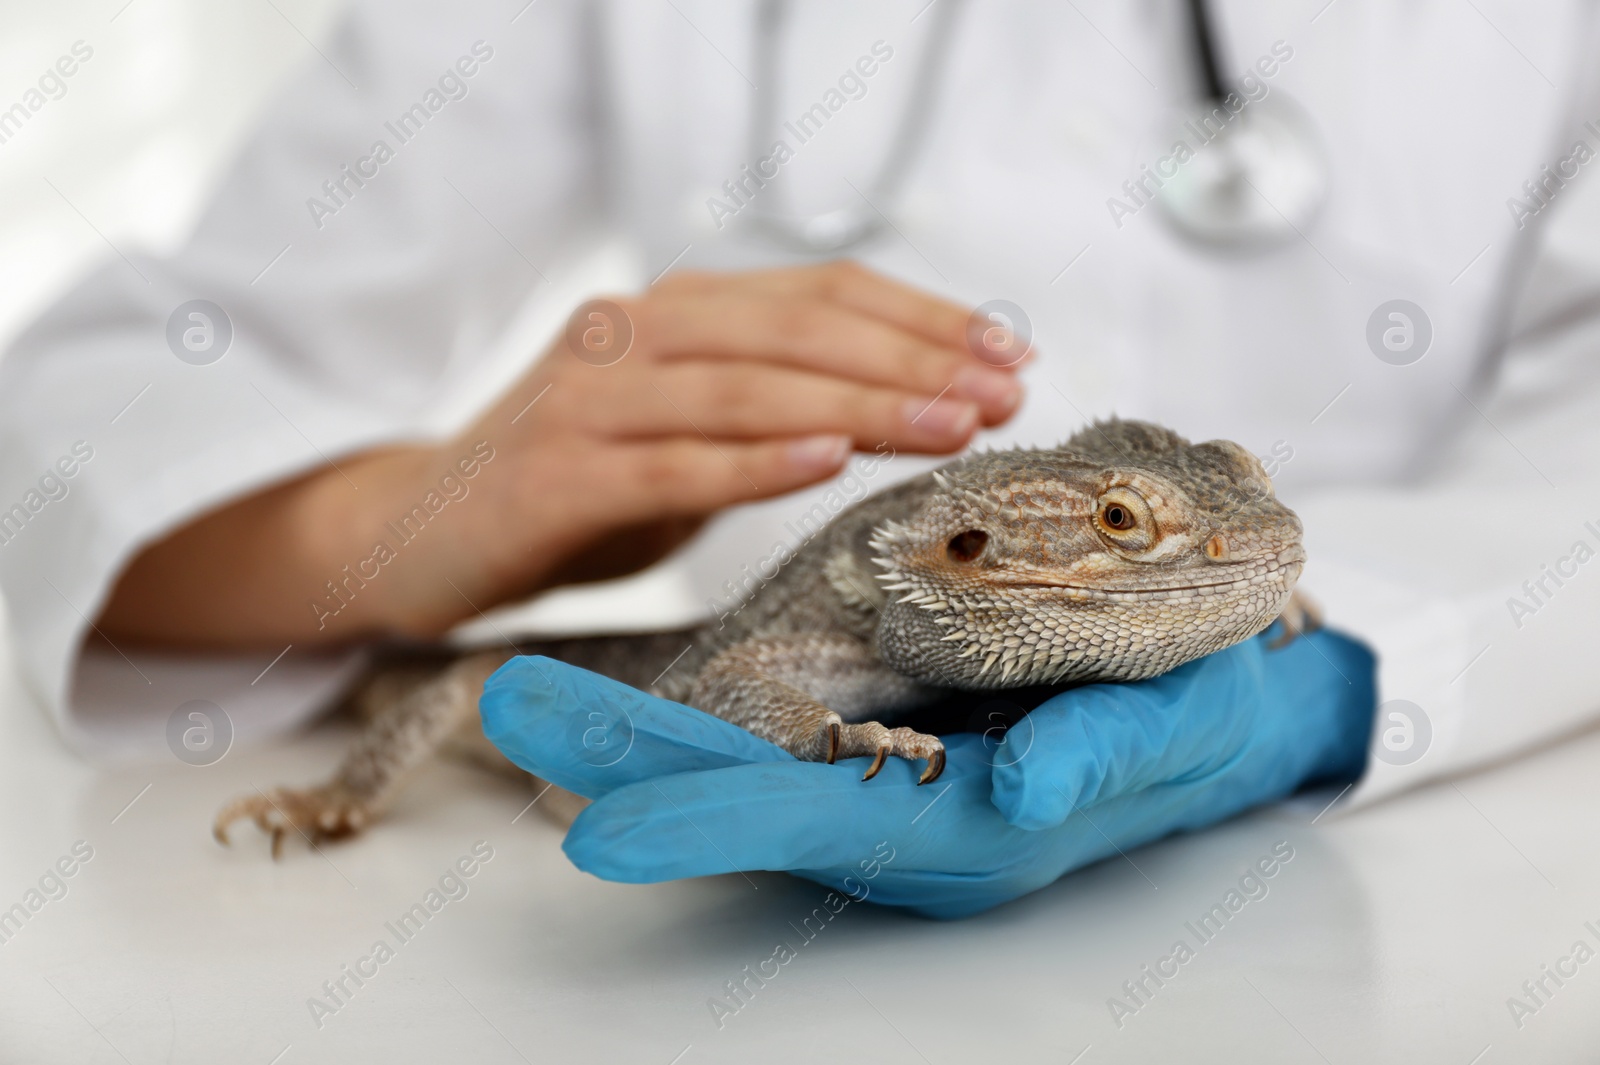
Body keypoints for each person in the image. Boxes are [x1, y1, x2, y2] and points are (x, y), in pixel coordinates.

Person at [4, 0, 1600, 916]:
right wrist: (382, 518)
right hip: (674, 859)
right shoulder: (863, 628)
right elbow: (111, 386)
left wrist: (1344, 657)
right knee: (455, 702)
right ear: (969, 562)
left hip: (1419, 879)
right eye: (1120, 522)